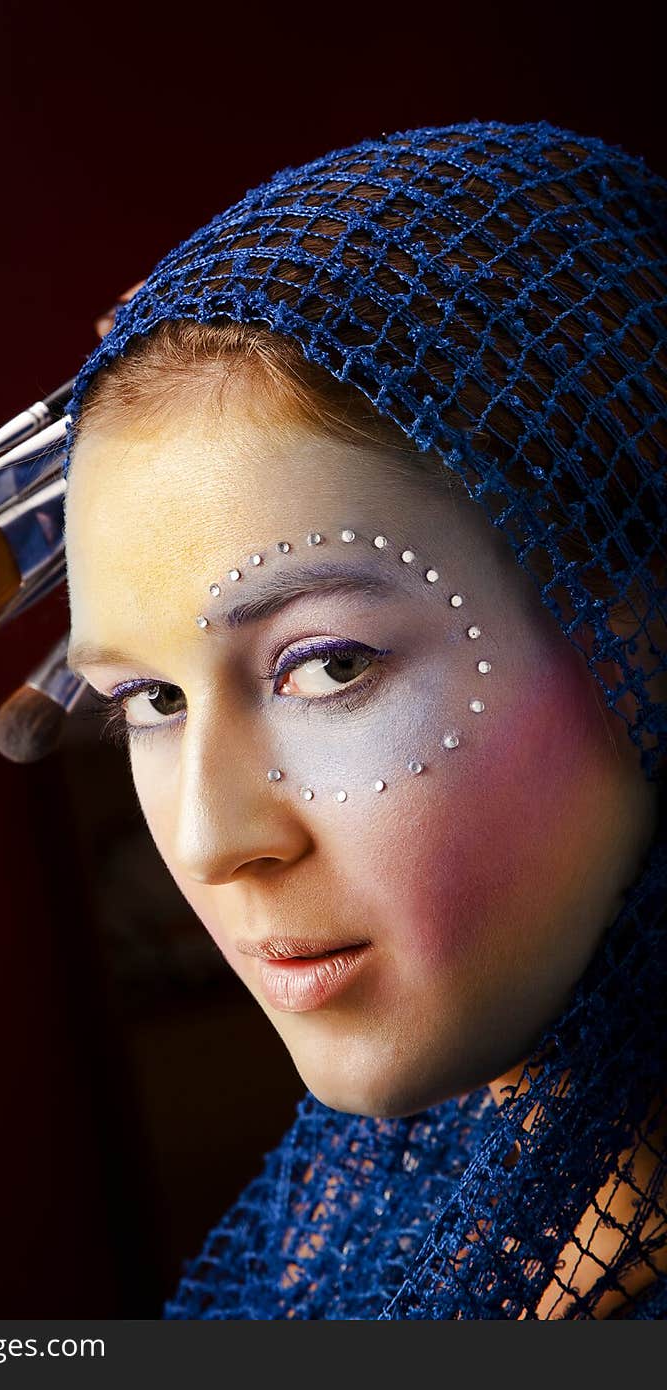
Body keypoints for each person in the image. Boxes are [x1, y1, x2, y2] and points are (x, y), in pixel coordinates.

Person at [60, 119, 667, 1318]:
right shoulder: (356, 1226)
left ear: (638, 632)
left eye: (328, 667)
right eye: (151, 699)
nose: (208, 841)